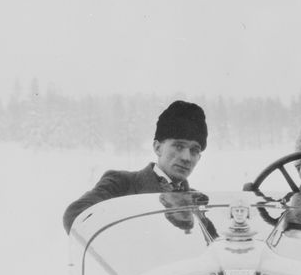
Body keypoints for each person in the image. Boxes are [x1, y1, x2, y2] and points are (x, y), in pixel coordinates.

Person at [62, 100, 208, 233]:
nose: (186, 157)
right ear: (158, 148)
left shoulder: (197, 201)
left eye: (194, 151)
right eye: (179, 146)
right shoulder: (121, 183)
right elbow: (75, 215)